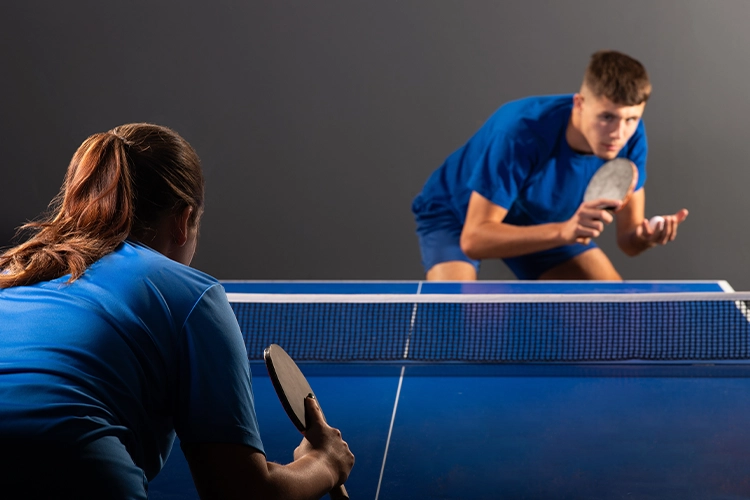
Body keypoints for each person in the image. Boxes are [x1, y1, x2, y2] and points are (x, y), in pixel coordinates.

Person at [0, 123, 354, 499]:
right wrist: (324, 462)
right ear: (183, 221)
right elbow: (243, 493)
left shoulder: (11, 272)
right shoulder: (192, 295)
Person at [411, 50, 689, 281]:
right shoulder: (520, 133)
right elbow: (473, 240)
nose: (618, 132)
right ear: (579, 104)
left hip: (540, 219)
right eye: (606, 117)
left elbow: (628, 242)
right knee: (457, 321)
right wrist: (564, 231)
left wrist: (646, 237)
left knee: (613, 309)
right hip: (459, 216)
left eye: (631, 119)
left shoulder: (631, 137)